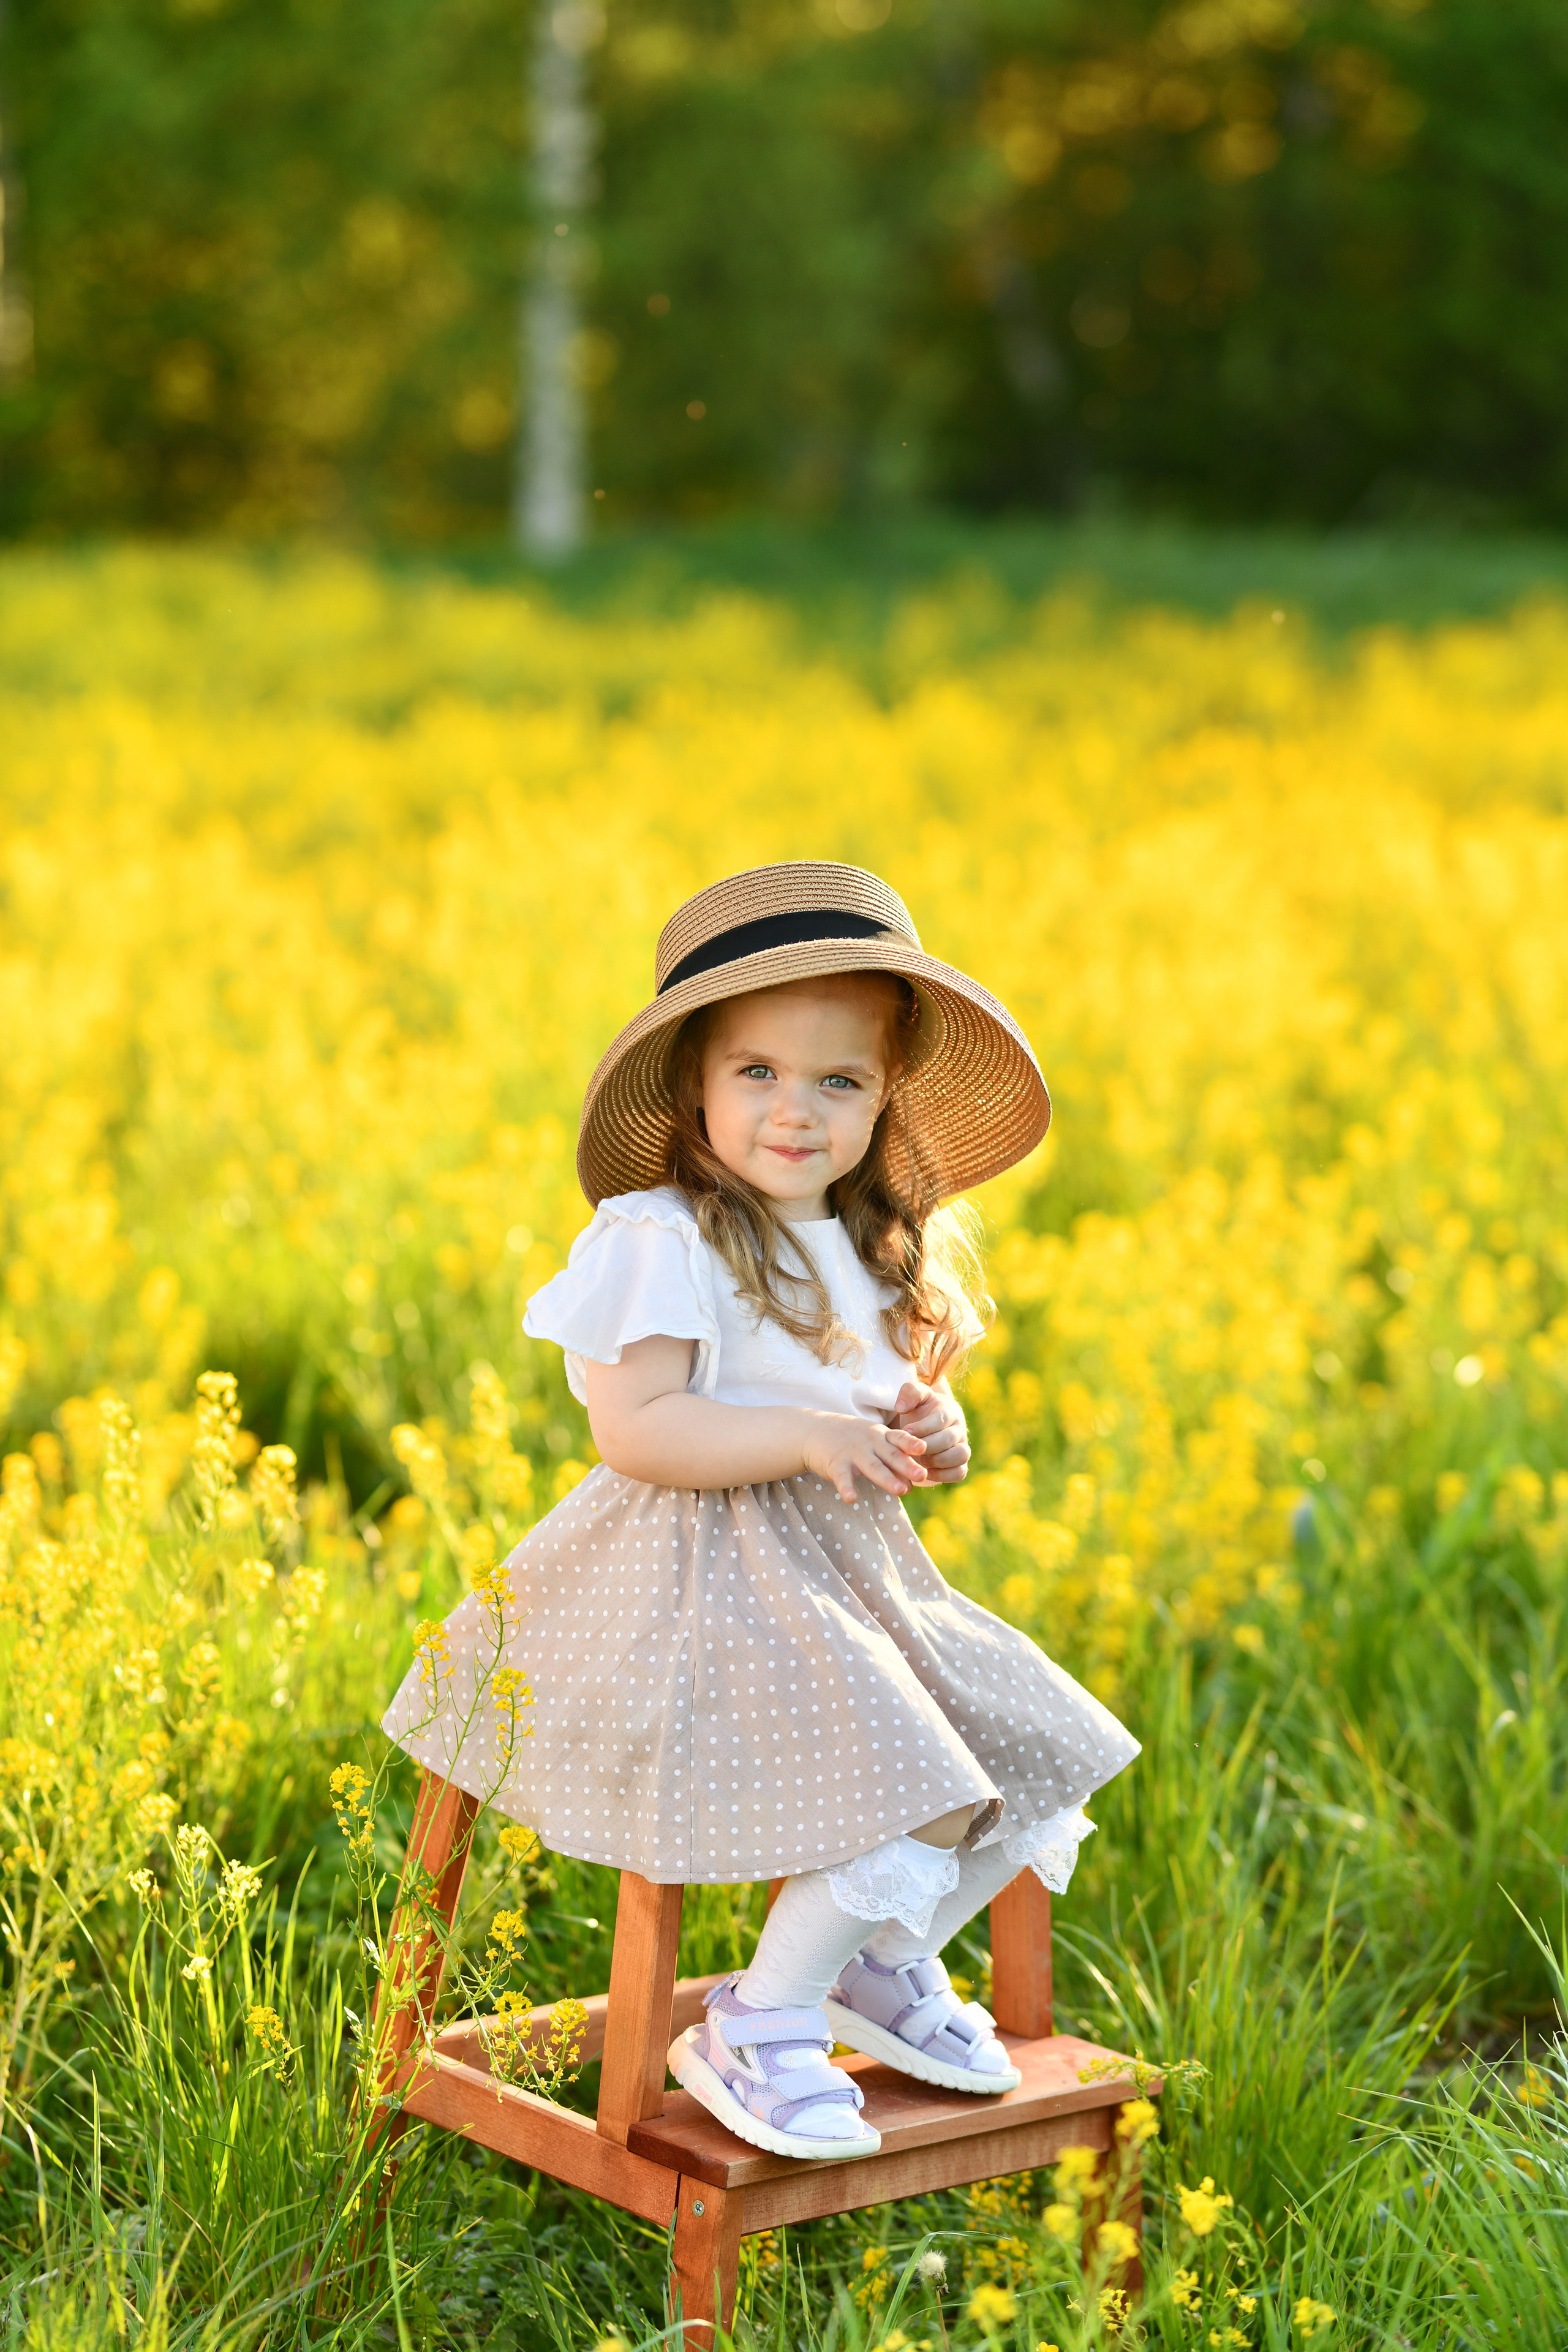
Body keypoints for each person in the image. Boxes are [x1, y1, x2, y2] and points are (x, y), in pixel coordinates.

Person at [382, 861, 1139, 2162]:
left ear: (884, 1096)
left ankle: (877, 1964)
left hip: (847, 1578)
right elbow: (637, 1428)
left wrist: (928, 1429)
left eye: (839, 1081)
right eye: (758, 1073)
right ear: (694, 1081)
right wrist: (799, 1435)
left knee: (1036, 1747)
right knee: (915, 1773)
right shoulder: (660, 1236)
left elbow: (877, 1402)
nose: (797, 1109)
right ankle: (760, 2018)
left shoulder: (868, 1240)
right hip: (689, 1582)